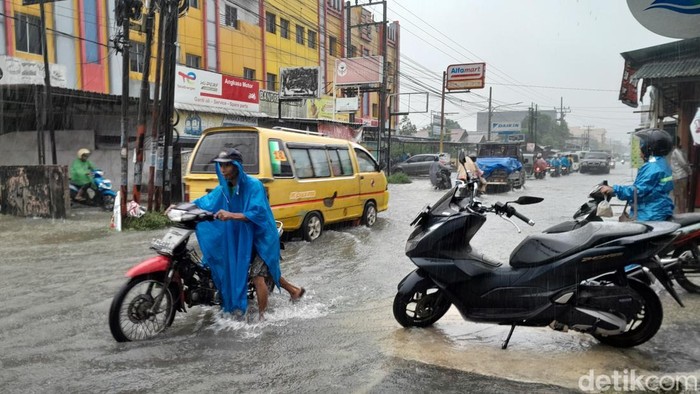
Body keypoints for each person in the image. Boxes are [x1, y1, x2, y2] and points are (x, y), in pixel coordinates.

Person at [194, 148, 305, 319]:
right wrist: (181, 207)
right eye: (220, 166)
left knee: (257, 276)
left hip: (262, 237)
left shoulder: (254, 186)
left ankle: (262, 318)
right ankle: (294, 291)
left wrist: (231, 215)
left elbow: (258, 213)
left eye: (227, 166)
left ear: (237, 166)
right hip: (242, 238)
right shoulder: (225, 188)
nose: (222, 170)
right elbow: (205, 202)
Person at [600, 128, 674, 221]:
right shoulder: (661, 163)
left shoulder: (653, 167)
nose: (639, 151)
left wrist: (614, 189)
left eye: (641, 147)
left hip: (649, 214)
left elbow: (637, 191)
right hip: (657, 208)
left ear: (648, 148)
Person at [670, 136, 691, 213]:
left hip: (679, 177)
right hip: (678, 176)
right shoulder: (677, 151)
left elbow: (684, 163)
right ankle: (681, 212)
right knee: (679, 196)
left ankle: (682, 212)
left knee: (680, 196)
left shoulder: (676, 152)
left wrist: (689, 171)